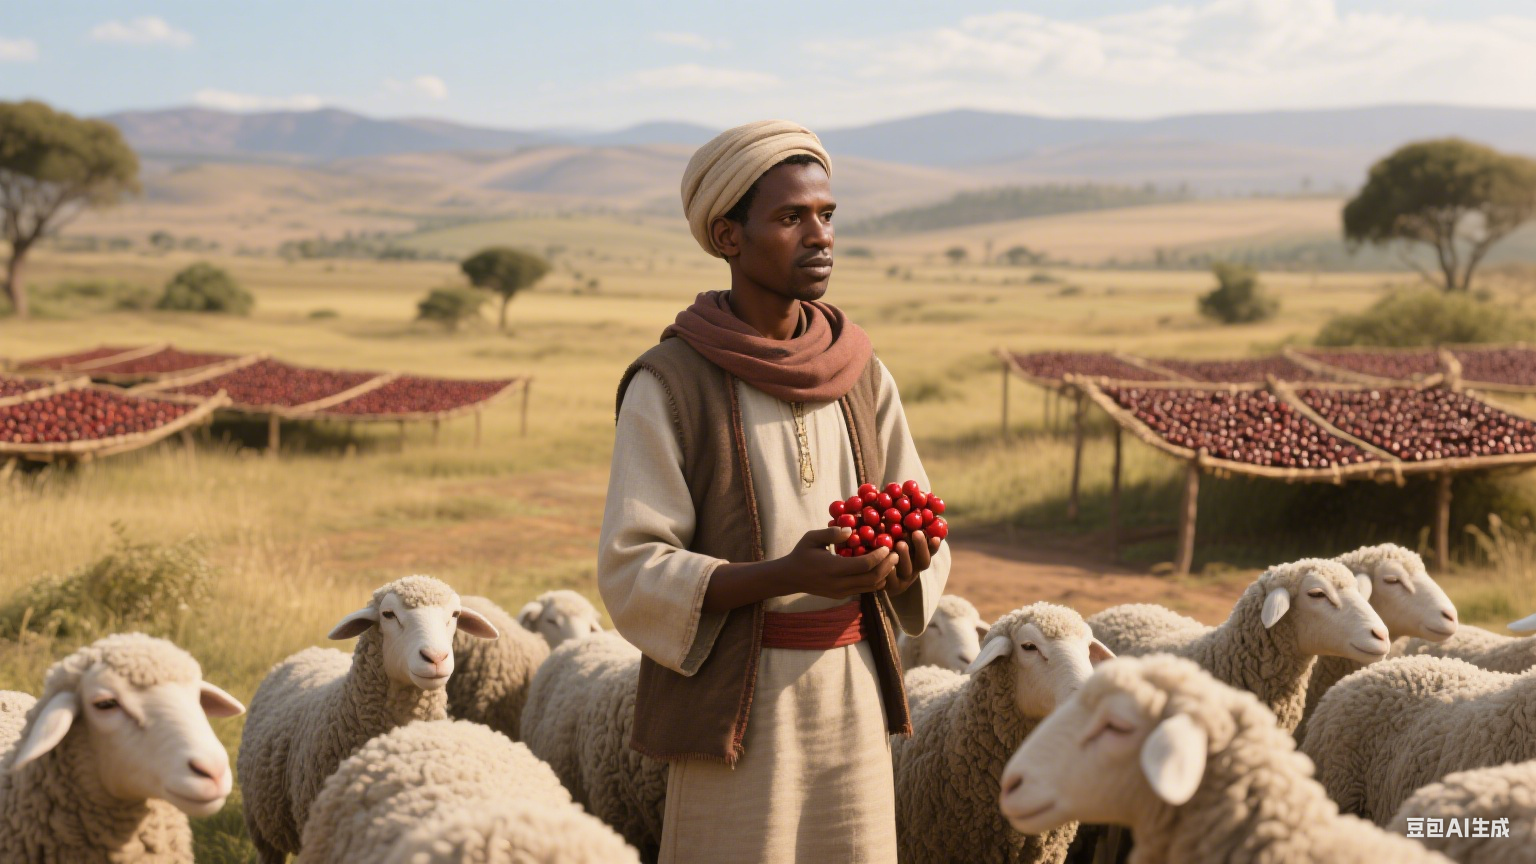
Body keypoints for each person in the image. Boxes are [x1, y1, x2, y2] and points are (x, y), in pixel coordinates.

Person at [598, 119, 950, 863]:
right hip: (738, 709)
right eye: (791, 218)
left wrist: (911, 559)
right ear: (729, 235)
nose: (819, 236)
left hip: (853, 693)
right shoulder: (670, 384)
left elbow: (917, 508)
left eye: (827, 215)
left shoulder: (860, 370)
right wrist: (784, 575)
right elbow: (634, 567)